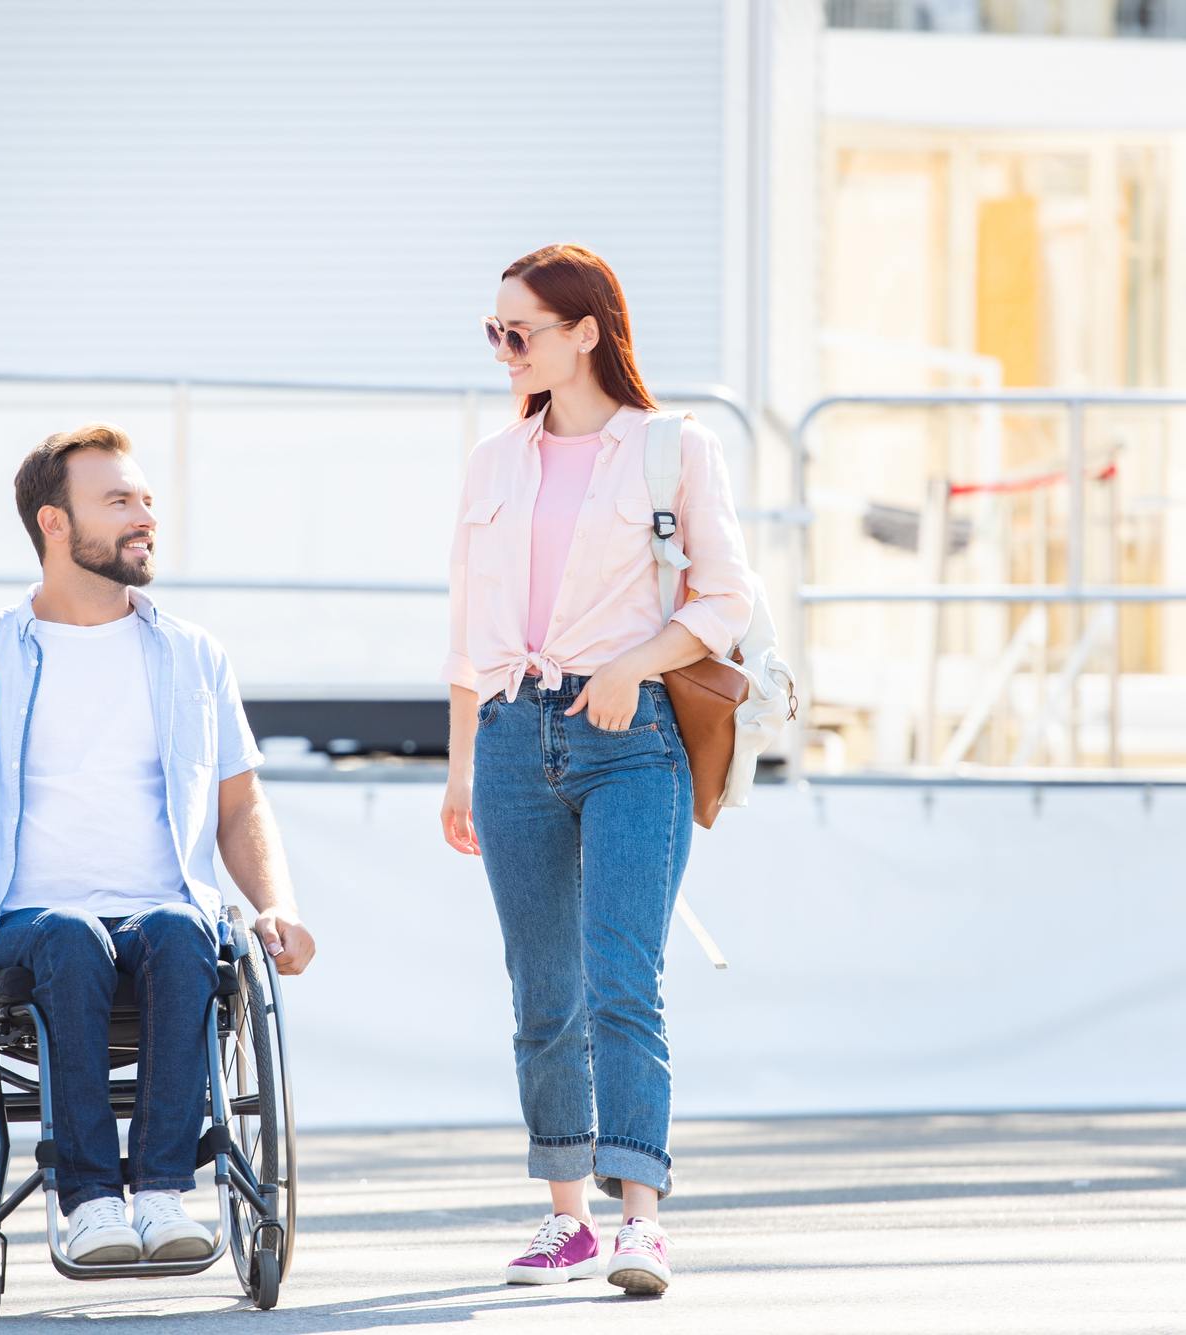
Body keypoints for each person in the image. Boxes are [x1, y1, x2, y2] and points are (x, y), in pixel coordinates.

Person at [0, 423, 316, 1266]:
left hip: (165, 918)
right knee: (71, 937)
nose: (144, 515)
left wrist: (277, 903)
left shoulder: (194, 656)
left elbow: (239, 805)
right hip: (25, 926)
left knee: (186, 930)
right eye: (118, 500)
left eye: (146, 499)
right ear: (54, 521)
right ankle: (87, 1203)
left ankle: (159, 1192)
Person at [439, 244, 757, 1295]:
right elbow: (465, 633)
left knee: (623, 978)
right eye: (493, 331)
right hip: (508, 739)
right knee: (542, 990)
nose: (502, 351)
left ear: (583, 332)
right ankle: (564, 1219)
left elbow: (723, 602)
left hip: (631, 741)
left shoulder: (671, 448)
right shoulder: (491, 463)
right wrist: (457, 768)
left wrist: (629, 665)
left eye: (516, 331)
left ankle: (640, 1222)